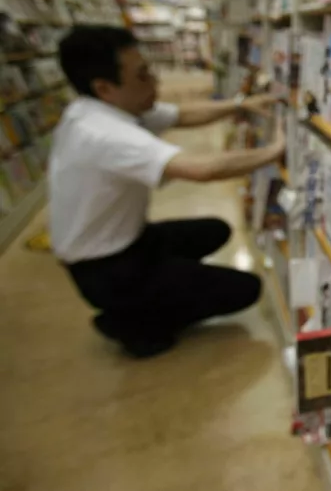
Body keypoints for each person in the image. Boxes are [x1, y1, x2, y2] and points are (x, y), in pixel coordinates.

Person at [50, 25, 285, 358]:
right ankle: (132, 322)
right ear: (104, 88)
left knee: (215, 230)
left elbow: (183, 115)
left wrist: (242, 104)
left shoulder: (99, 108)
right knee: (246, 289)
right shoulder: (103, 134)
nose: (156, 81)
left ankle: (159, 288)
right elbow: (201, 170)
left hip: (127, 242)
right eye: (143, 75)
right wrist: (274, 152)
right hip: (107, 270)